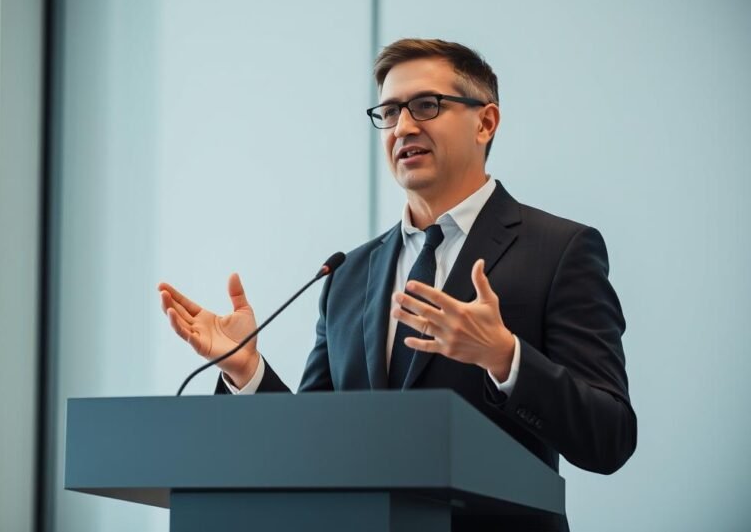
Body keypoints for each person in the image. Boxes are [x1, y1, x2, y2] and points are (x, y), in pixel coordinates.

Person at [157, 38, 636, 531]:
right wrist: (246, 371)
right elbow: (312, 445)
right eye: (388, 112)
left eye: (426, 105)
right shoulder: (347, 276)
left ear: (485, 123)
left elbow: (610, 437)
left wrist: (505, 357)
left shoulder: (559, 250)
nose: (403, 127)